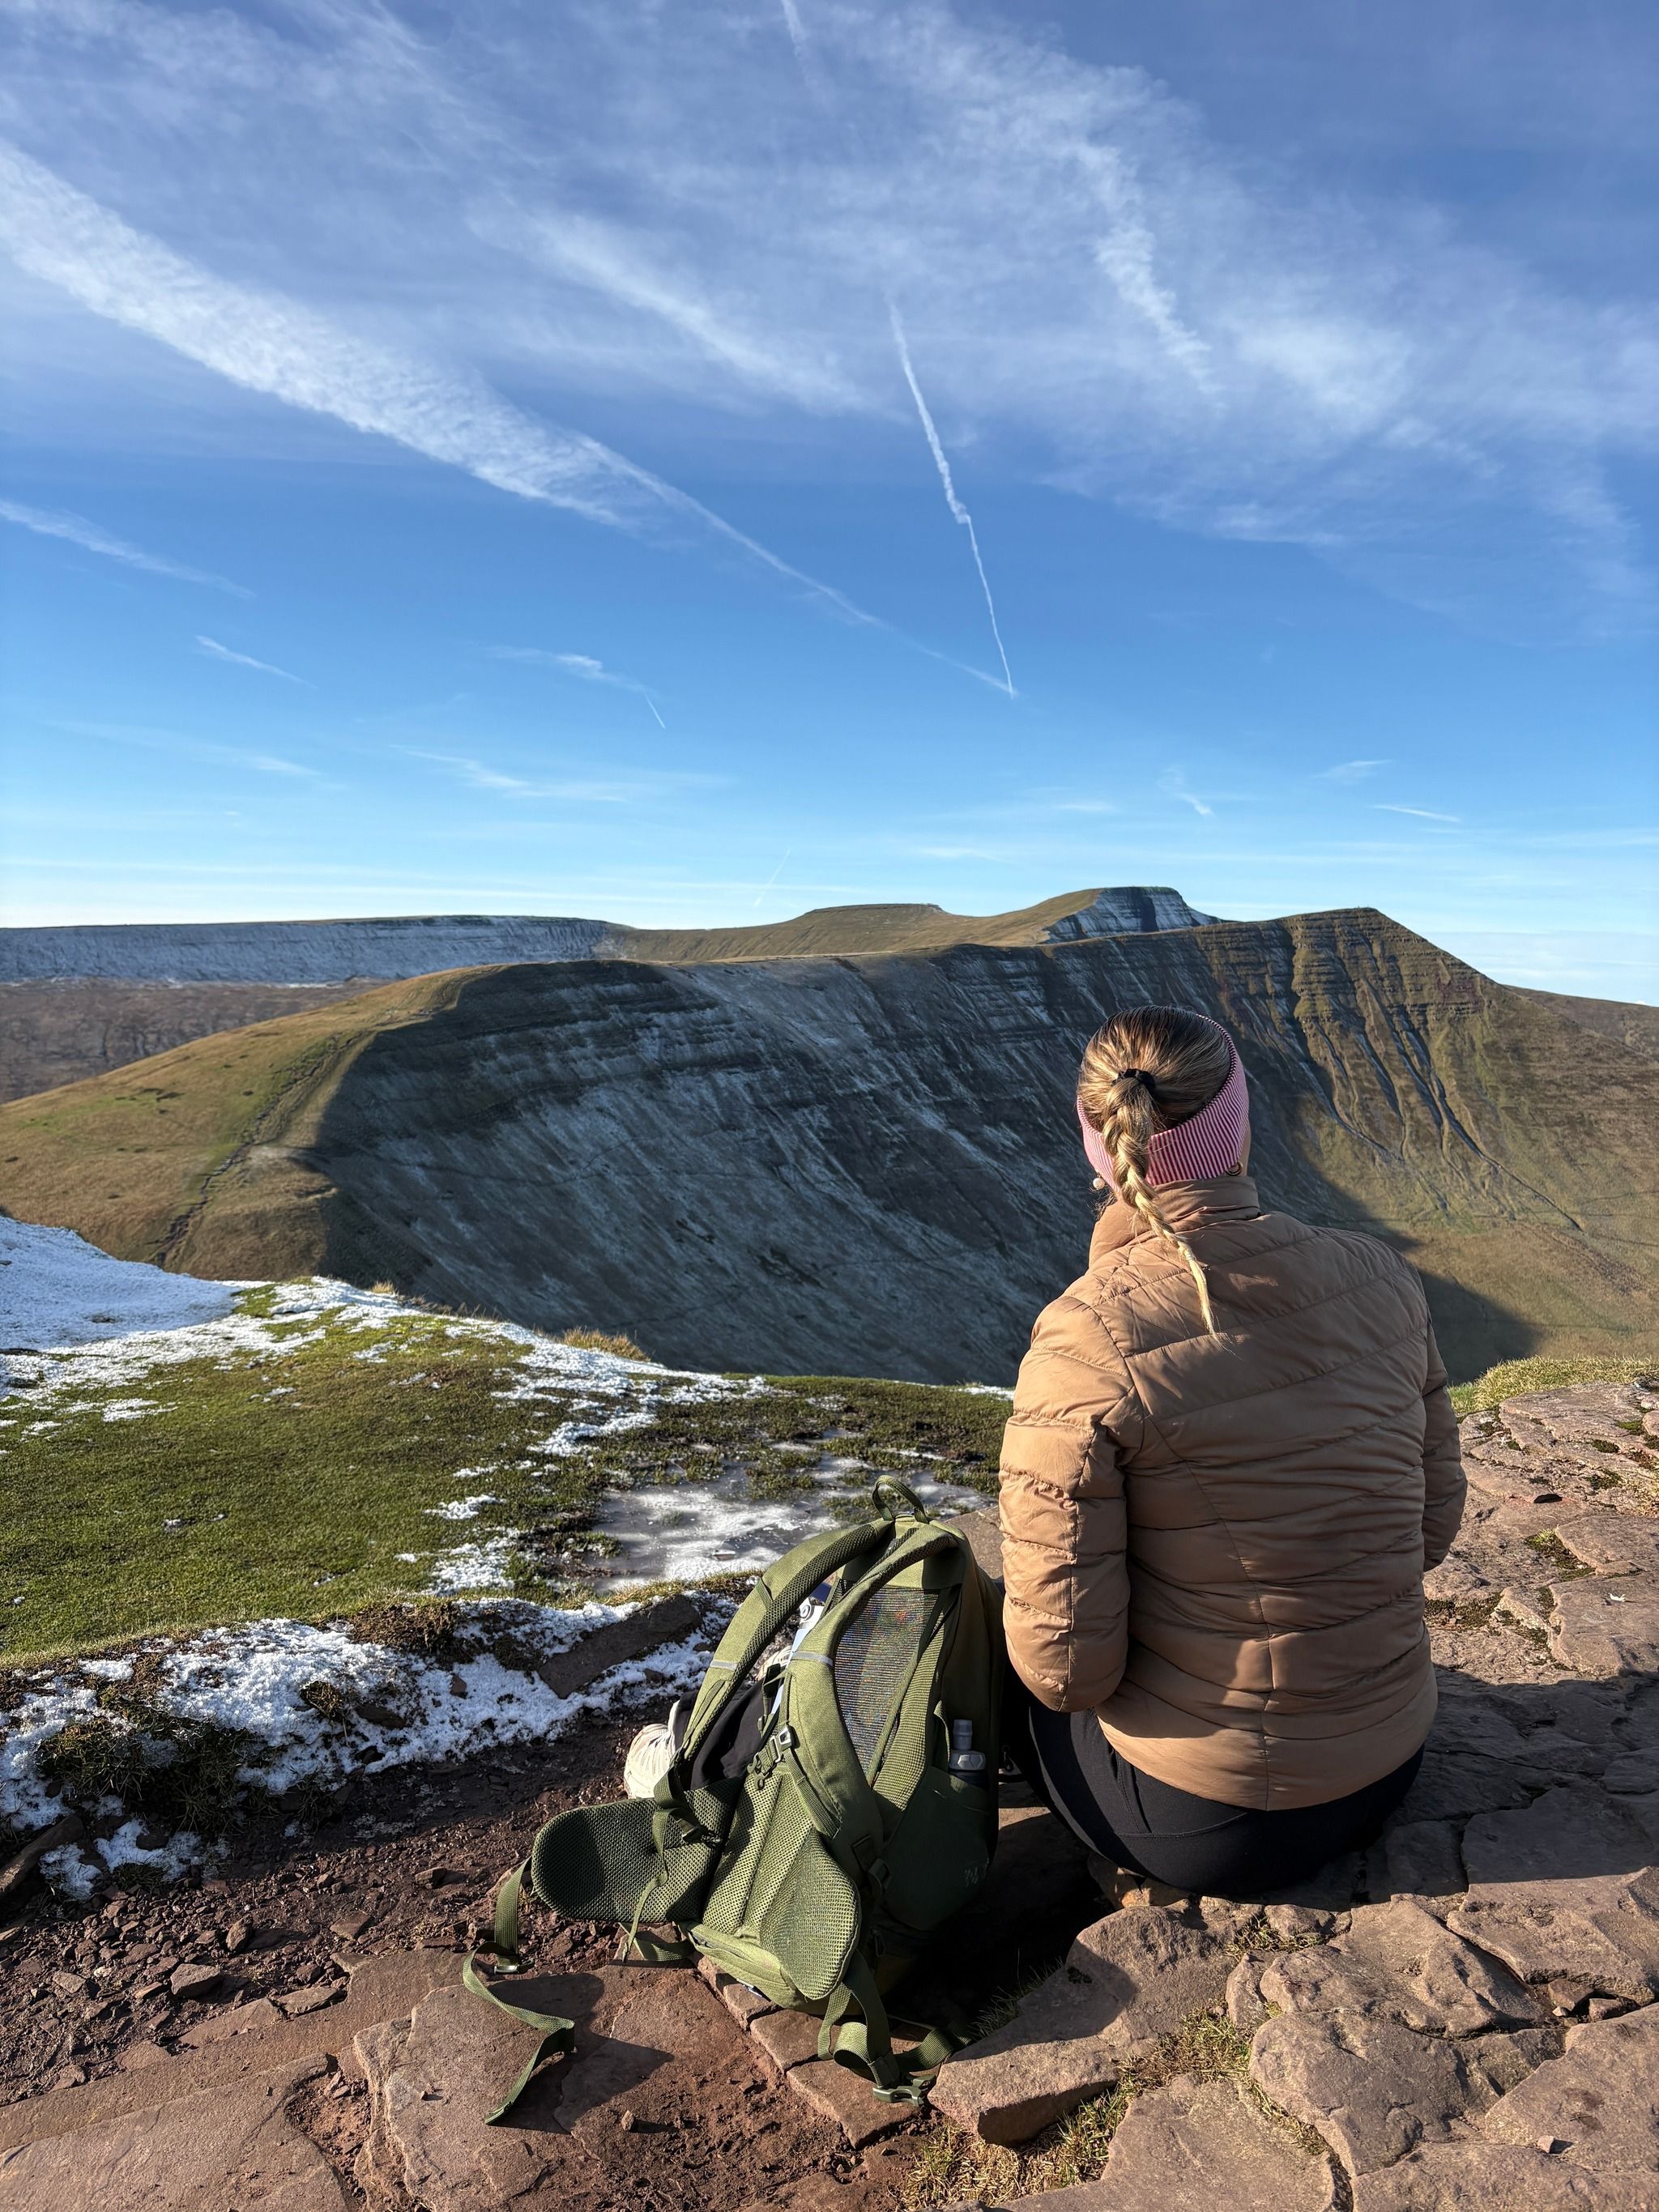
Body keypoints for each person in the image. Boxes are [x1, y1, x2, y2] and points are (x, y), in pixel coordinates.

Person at [998, 1004, 1464, 1898]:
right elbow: (1428, 1529)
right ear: (1239, 1123)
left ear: (1098, 1146)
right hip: (1394, 1754)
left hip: (1213, 1825)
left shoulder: (1085, 1338)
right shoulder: (1381, 1275)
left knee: (982, 1636)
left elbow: (1064, 1672)